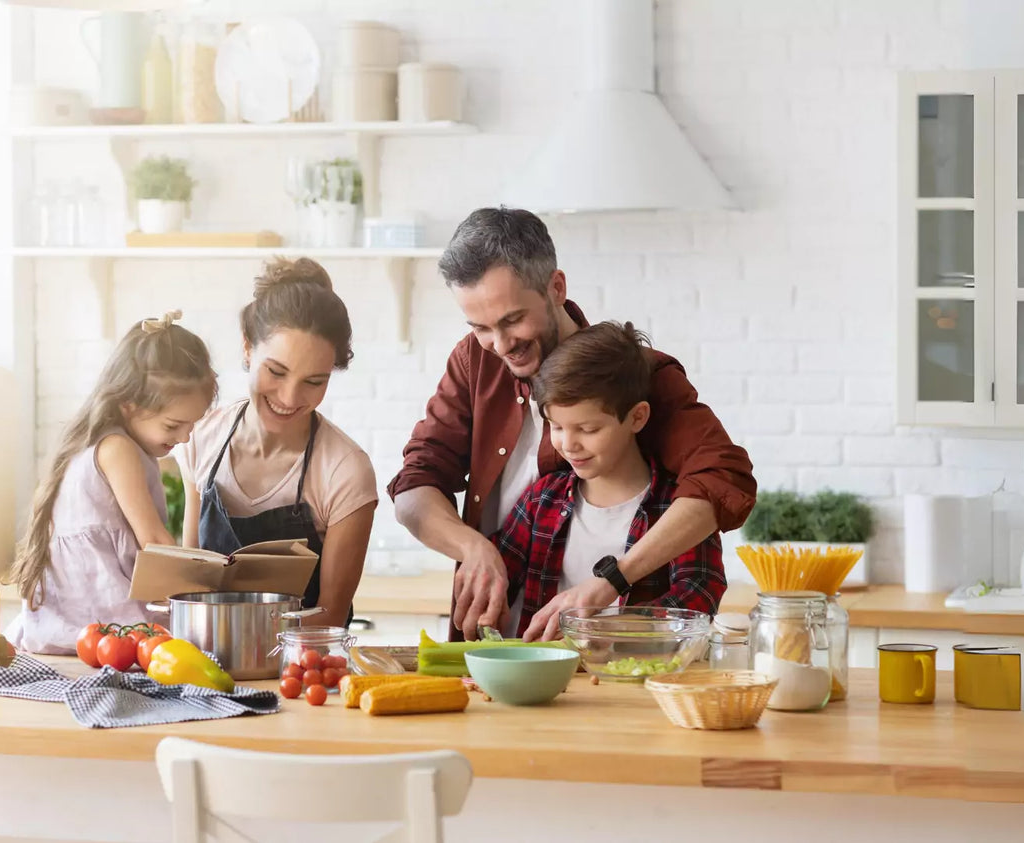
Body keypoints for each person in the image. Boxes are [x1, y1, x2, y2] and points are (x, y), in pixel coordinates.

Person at [388, 207, 756, 640]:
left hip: (620, 659)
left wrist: (612, 584)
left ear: (556, 287)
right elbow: (414, 486)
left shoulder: (635, 375)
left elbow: (722, 478)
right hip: (507, 646)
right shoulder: (474, 360)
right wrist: (473, 549)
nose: (500, 345)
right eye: (480, 327)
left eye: (512, 320)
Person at [178, 258, 378, 628]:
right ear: (248, 348)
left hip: (302, 669)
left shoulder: (345, 470)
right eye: (276, 371)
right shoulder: (201, 438)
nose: (289, 397)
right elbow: (190, 585)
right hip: (204, 664)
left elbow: (331, 616)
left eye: (314, 381)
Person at [497, 321, 726, 642]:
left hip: (636, 680)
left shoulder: (679, 510)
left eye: (588, 429)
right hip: (544, 679)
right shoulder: (541, 500)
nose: (568, 444)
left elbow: (698, 597)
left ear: (637, 417)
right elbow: (499, 579)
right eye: (557, 426)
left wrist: (604, 631)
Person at [5, 310, 217, 654]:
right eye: (173, 425)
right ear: (129, 406)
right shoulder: (118, 449)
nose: (185, 436)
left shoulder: (109, 442)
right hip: (99, 620)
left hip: (79, 621)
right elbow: (153, 541)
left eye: (192, 424)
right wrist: (200, 591)